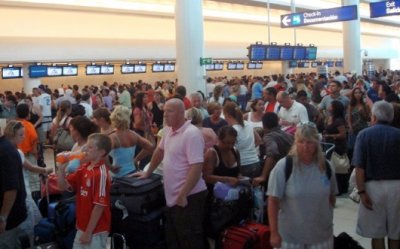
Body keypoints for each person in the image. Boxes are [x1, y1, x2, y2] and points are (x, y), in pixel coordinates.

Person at [135, 98, 207, 249]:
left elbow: (197, 166)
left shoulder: (191, 134)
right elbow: (159, 151)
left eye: (170, 111)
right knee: (174, 238)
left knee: (190, 238)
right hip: (173, 196)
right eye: (164, 111)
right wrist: (148, 172)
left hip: (189, 196)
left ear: (182, 113)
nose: (165, 115)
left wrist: (183, 194)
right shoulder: (168, 130)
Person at [267, 122, 337, 249]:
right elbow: (273, 200)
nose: (305, 146)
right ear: (295, 142)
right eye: (301, 141)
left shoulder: (326, 166)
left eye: (309, 142)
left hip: (321, 238)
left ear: (317, 143)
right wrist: (274, 233)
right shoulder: (283, 167)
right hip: (290, 239)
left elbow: (331, 198)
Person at [353, 100, 400, 249]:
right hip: (397, 187)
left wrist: (361, 191)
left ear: (373, 116)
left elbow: (359, 167)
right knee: (395, 233)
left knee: (377, 233)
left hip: (372, 188)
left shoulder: (364, 135)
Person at [57, 133, 112, 249]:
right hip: (81, 226)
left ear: (101, 152)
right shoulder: (84, 167)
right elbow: (62, 187)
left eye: (90, 147)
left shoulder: (101, 173)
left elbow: (99, 206)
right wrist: (61, 170)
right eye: (86, 146)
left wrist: (88, 232)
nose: (86, 149)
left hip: (96, 230)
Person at [0, 121, 27, 248]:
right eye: (21, 135)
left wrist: (3, 217)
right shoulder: (6, 148)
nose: (23, 138)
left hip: (9, 216)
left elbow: (11, 189)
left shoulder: (6, 151)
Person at [109, 105, 154, 177]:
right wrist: (136, 159)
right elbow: (150, 147)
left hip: (117, 175)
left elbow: (102, 154)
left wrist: (110, 167)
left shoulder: (112, 137)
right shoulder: (133, 134)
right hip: (132, 171)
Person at [253, 112, 293, 187]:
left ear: (264, 125)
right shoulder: (289, 135)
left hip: (279, 174)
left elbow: (272, 153)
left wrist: (263, 176)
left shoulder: (269, 137)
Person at [223, 102, 261, 178]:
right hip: (255, 162)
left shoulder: (233, 129)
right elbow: (259, 140)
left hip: (242, 165)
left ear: (227, 115)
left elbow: (228, 149)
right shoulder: (248, 124)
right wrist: (249, 148)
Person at [323, 100, 348, 195]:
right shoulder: (330, 118)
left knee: (337, 167)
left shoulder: (338, 120)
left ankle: (339, 188)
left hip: (337, 146)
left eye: (330, 106)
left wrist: (330, 136)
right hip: (329, 145)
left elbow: (343, 135)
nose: (328, 107)